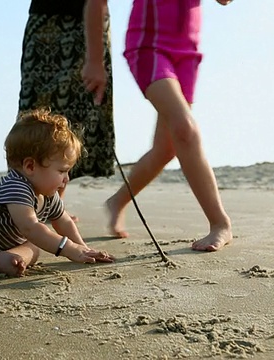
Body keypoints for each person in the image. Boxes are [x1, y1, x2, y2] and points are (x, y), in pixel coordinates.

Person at [82, 0, 233, 251]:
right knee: (185, 128)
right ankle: (220, 223)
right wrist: (95, 61)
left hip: (188, 51)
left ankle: (117, 201)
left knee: (166, 148)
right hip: (149, 47)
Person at [0, 109, 114, 278]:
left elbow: (64, 221)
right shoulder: (16, 186)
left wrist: (82, 248)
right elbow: (30, 227)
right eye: (62, 171)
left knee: (34, 247)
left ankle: (7, 259)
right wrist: (69, 248)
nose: (66, 178)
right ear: (30, 166)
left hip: (1, 246)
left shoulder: (49, 195)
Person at [18, 0, 117, 221]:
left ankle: (52, 205)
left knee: (75, 119)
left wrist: (94, 59)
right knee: (36, 116)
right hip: (48, 21)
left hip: (88, 26)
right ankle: (25, 205)